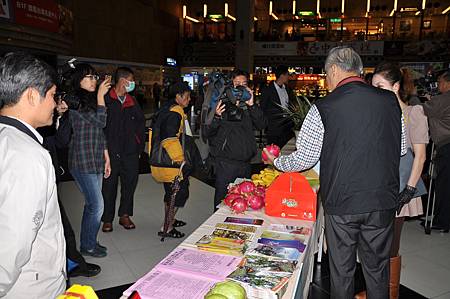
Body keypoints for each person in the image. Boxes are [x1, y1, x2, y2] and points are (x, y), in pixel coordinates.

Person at [264, 46, 407, 299]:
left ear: (333, 70)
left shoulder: (323, 107)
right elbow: (402, 148)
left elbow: (305, 158)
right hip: (382, 201)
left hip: (343, 204)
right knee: (377, 270)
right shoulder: (389, 101)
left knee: (342, 272)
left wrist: (278, 162)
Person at [354, 62, 429, 299]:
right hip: (377, 187)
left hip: (400, 188)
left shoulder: (412, 113)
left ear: (396, 86)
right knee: (375, 243)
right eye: (373, 86)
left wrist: (408, 189)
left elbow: (421, 155)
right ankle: (378, 289)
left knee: (390, 244)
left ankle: (389, 292)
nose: (375, 90)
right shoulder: (378, 113)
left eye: (380, 86)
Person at [0, 52, 66, 297]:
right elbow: (13, 243)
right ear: (31, 95)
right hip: (30, 286)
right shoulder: (27, 155)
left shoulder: (6, 137)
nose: (55, 104)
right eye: (51, 95)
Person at [40, 100, 101, 278]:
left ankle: (71, 262)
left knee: (61, 224)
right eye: (51, 95)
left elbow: (61, 141)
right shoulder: (16, 131)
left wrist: (60, 115)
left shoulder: (50, 118)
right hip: (78, 163)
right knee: (94, 206)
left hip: (52, 174)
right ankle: (73, 260)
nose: (54, 101)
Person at [205, 69, 267, 211]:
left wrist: (252, 105)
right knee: (222, 204)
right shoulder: (221, 105)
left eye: (243, 84)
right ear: (229, 86)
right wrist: (216, 117)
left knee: (243, 204)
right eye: (236, 83)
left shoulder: (249, 107)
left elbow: (262, 124)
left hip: (246, 164)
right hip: (226, 164)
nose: (240, 87)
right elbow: (208, 132)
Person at [68, 63, 111, 257]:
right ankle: (87, 246)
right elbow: (101, 121)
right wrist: (101, 96)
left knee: (91, 204)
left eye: (95, 77)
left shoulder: (92, 101)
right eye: (89, 77)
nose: (94, 81)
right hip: (82, 160)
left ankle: (89, 242)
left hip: (95, 159)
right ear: (79, 80)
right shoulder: (75, 101)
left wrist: (106, 157)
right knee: (97, 205)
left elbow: (99, 132)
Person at [101, 67, 146, 232]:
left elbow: (141, 125)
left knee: (130, 184)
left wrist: (139, 147)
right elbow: (99, 126)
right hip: (110, 153)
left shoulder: (132, 102)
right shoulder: (106, 100)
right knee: (109, 186)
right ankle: (107, 218)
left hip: (130, 152)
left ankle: (125, 215)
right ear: (123, 81)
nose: (133, 83)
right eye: (131, 80)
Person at [150, 82, 192, 238]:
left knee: (170, 193)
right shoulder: (175, 112)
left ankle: (171, 219)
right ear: (178, 97)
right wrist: (180, 160)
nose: (189, 100)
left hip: (163, 161)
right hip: (171, 163)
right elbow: (169, 139)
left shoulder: (166, 109)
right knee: (178, 193)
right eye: (187, 97)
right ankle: (166, 227)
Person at [422, 70, 450, 233]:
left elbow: (423, 110)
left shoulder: (442, 99)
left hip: (446, 145)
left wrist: (425, 99)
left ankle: (443, 221)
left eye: (439, 82)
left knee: (444, 185)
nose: (438, 85)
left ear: (447, 83)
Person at [261, 65, 296, 149]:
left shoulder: (287, 89)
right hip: (273, 126)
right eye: (287, 75)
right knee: (272, 150)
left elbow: (291, 103)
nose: (288, 77)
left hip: (286, 125)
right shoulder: (268, 89)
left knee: (282, 146)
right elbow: (263, 107)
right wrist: (266, 125)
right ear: (282, 76)